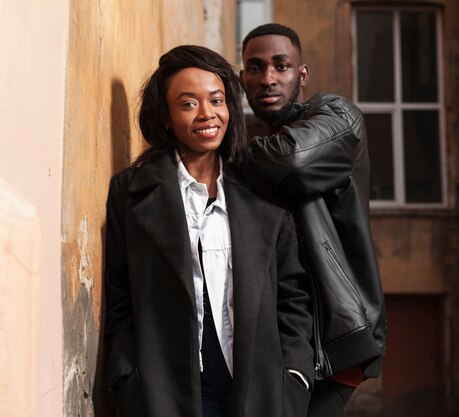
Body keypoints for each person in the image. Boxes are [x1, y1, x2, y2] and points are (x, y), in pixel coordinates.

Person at [104, 45, 314, 417]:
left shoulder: (261, 188)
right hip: (166, 389)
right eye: (188, 104)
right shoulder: (131, 191)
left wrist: (294, 374)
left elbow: (292, 294)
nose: (207, 114)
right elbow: (121, 298)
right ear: (166, 117)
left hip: (257, 385)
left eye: (216, 100)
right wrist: (127, 377)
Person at [240, 23, 387, 417]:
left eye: (281, 66)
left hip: (334, 337)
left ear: (301, 74)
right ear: (243, 79)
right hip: (287, 334)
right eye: (255, 68)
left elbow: (293, 162)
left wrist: (223, 153)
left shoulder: (338, 116)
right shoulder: (262, 142)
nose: (267, 79)